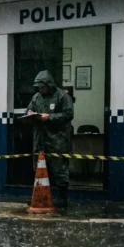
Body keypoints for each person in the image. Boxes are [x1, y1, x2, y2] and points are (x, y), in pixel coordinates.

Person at [27, 70, 74, 208]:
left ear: (49, 85)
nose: (41, 89)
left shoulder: (62, 96)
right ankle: (39, 196)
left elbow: (69, 114)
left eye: (43, 87)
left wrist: (50, 117)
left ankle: (62, 198)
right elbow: (29, 109)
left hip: (58, 139)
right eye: (39, 87)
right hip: (40, 138)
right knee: (39, 168)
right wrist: (29, 113)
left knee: (59, 169)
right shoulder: (36, 97)